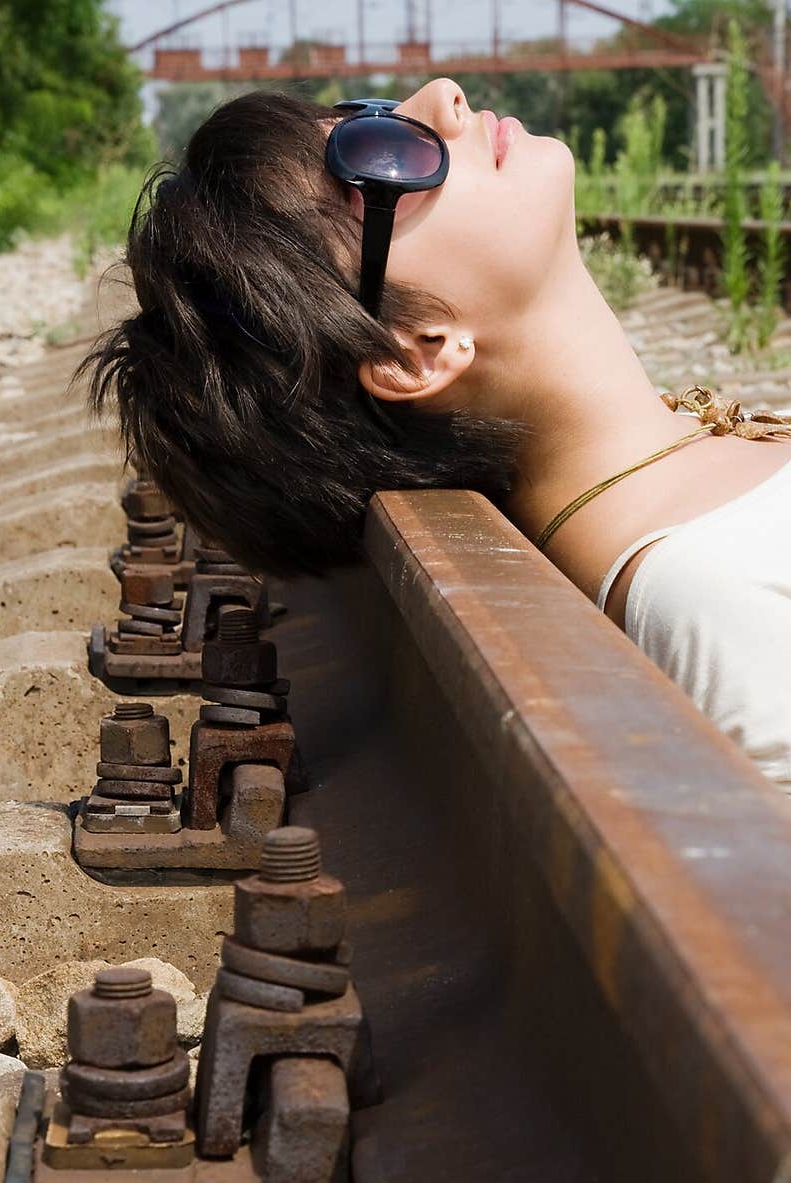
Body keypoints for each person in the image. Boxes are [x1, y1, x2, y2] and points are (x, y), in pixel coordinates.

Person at [83, 79, 791, 793]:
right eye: (380, 155)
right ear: (410, 352)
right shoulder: (709, 598)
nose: (441, 96)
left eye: (373, 114)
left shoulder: (689, 481)